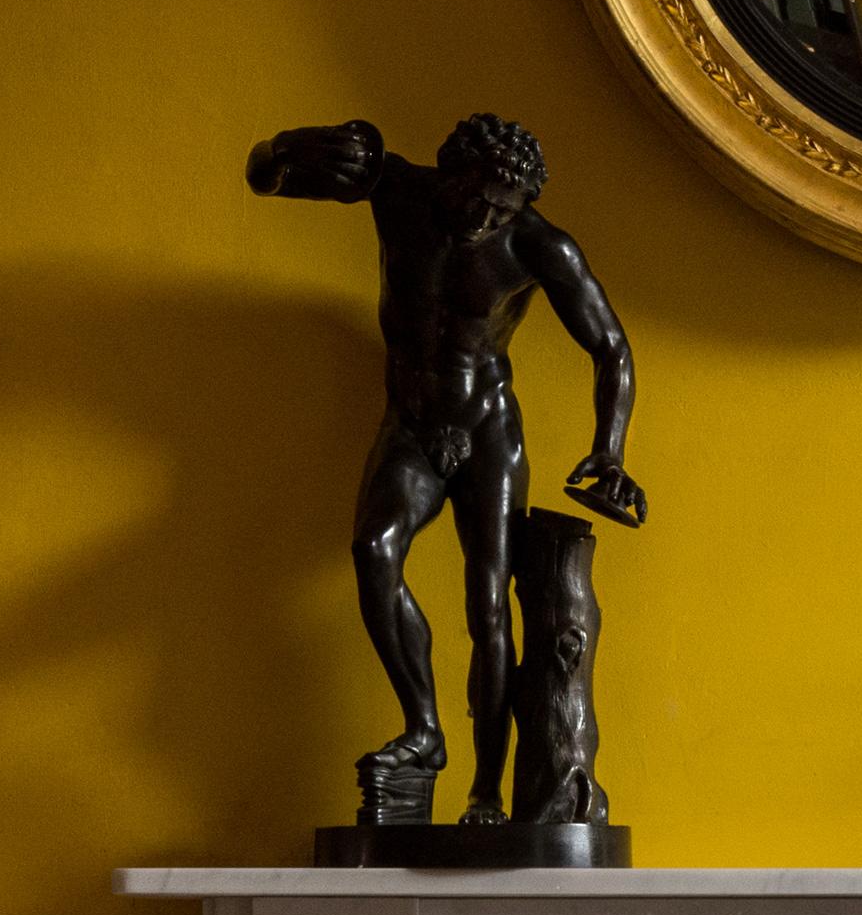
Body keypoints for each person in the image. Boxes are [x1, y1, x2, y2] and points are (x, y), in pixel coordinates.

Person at [247, 112, 645, 821]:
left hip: (487, 429)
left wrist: (608, 451)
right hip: (412, 424)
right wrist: (287, 150)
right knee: (373, 551)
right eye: (477, 198)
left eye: (502, 207)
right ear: (450, 172)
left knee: (488, 608)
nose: (484, 217)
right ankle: (424, 731)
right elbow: (265, 175)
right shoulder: (396, 190)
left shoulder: (536, 244)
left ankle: (485, 791)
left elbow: (610, 347)